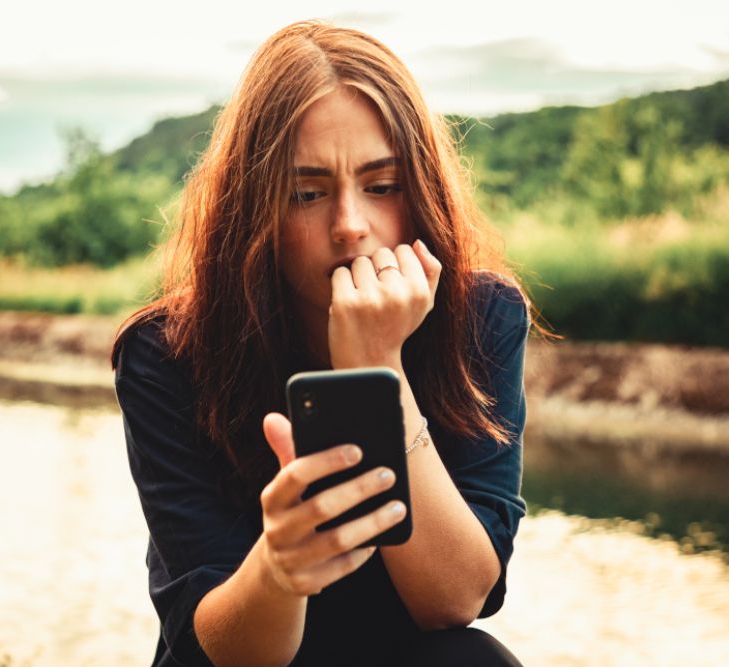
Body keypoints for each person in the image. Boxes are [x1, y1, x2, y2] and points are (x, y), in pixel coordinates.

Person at [111, 20, 530, 667]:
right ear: (258, 209)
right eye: (307, 193)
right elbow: (217, 644)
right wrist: (280, 569)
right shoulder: (167, 353)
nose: (349, 227)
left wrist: (379, 367)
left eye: (382, 185)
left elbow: (455, 601)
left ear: (420, 191)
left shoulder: (481, 317)